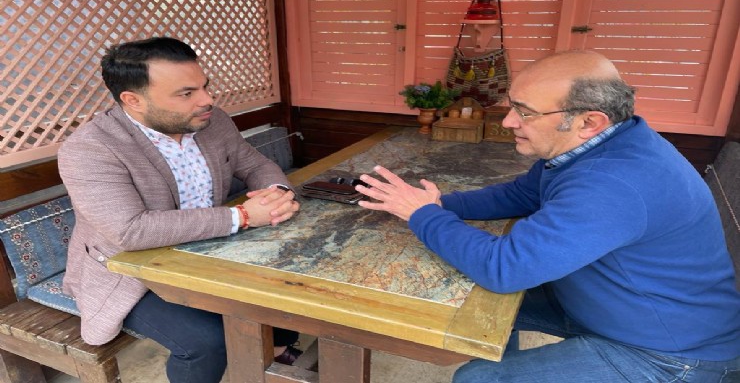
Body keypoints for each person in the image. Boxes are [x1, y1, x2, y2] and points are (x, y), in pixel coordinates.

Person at [355, 50, 740, 382]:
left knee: (479, 378)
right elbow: (522, 194)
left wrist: (423, 215)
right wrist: (439, 204)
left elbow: (504, 268)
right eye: (512, 106)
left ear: (589, 122)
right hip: (612, 307)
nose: (508, 121)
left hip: (670, 352)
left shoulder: (612, 182)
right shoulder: (595, 147)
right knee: (477, 305)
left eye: (524, 112)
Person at [58, 37, 302, 383]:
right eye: (186, 93)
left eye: (205, 86)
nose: (207, 100)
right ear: (133, 100)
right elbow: (130, 231)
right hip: (128, 271)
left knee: (289, 287)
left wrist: (277, 193)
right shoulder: (91, 148)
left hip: (209, 250)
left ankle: (275, 349)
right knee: (207, 342)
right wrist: (243, 216)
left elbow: (254, 164)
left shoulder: (211, 121)